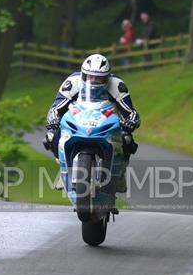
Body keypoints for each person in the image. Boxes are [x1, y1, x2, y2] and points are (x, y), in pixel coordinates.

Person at [42, 53, 141, 194]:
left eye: (99, 77)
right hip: (79, 117)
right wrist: (53, 122)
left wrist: (131, 122)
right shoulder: (72, 82)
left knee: (126, 138)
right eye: (90, 76)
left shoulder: (117, 85)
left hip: (107, 119)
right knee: (51, 136)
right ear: (83, 75)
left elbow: (131, 112)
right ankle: (62, 168)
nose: (94, 80)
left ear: (107, 77)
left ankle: (119, 173)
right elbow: (56, 107)